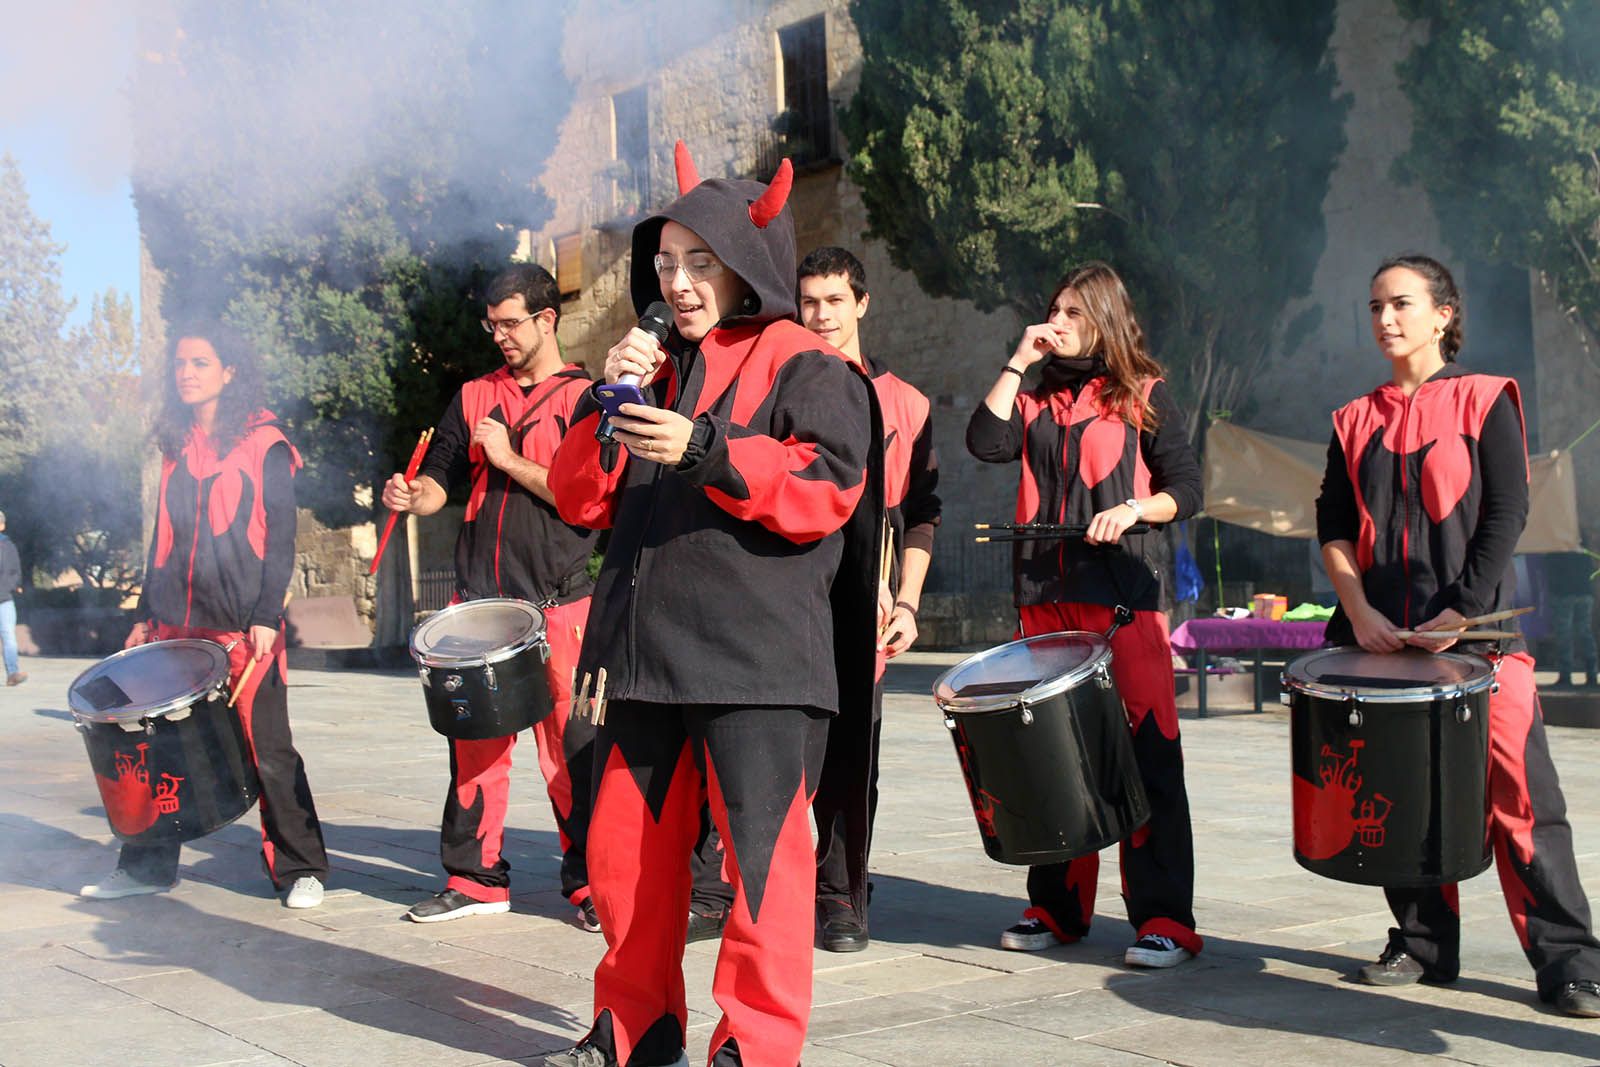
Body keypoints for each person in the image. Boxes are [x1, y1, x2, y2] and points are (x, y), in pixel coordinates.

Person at [542, 142, 882, 1067]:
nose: (678, 284)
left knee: (763, 868)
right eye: (665, 264)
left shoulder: (810, 365)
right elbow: (577, 496)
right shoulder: (649, 369)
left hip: (758, 665)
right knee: (625, 862)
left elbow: (826, 483)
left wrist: (706, 448)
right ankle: (633, 1032)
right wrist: (608, 393)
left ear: (746, 265)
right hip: (644, 661)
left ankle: (756, 1049)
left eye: (700, 262)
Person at [1315, 253, 1600, 1018]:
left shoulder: (1485, 399)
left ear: (1444, 314)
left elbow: (1508, 510)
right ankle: (1421, 942)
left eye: (1401, 303)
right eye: (1374, 306)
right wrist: (1359, 611)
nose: (1384, 319)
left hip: (1481, 644)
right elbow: (1333, 527)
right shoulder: (1353, 419)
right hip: (1382, 648)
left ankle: (1571, 962)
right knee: (1399, 798)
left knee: (1524, 799)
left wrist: (1463, 610)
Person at [966, 261, 1204, 969]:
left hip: (1124, 597)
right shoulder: (1034, 400)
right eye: (1054, 310)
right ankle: (1057, 907)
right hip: (1045, 596)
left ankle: (1165, 918)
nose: (1058, 322)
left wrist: (1134, 508)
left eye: (1073, 312)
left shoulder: (1144, 393)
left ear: (1104, 318)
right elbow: (984, 442)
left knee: (1147, 754)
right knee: (1051, 757)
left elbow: (1187, 489)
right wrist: (1019, 358)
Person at [380, 265, 601, 930]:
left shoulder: (588, 398)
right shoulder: (474, 395)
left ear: (547, 319)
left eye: (510, 323)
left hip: (560, 603)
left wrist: (505, 458)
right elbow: (440, 478)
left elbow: (586, 499)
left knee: (572, 751)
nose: (500, 336)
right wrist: (415, 496)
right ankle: (475, 879)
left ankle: (591, 883)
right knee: (474, 746)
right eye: (492, 325)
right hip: (480, 606)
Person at [81, 321, 328, 907]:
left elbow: (281, 537)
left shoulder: (266, 442)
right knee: (156, 751)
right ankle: (146, 867)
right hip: (175, 626)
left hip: (242, 627)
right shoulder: (176, 443)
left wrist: (266, 613)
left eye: (200, 363)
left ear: (229, 372)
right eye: (180, 364)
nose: (186, 374)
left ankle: (301, 869)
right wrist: (145, 613)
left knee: (267, 749)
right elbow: (163, 539)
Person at [800, 245, 941, 952]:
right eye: (809, 301)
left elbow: (923, 512)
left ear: (862, 303)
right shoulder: (782, 382)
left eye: (835, 300)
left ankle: (840, 894)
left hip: (866, 612)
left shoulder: (907, 403)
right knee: (776, 754)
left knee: (853, 759)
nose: (821, 314)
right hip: (786, 603)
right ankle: (730, 888)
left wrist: (907, 602)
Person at [0, 509, 24, 686]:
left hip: (4, 599)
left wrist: (12, 585)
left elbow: (15, 570)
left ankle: (12, 673)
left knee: (9, 636)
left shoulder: (8, 546)